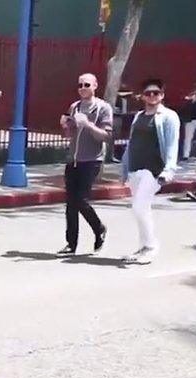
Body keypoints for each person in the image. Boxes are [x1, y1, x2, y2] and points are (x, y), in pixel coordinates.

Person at [119, 78, 180, 265]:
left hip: (153, 170)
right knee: (142, 209)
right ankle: (143, 246)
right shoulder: (139, 116)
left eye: (156, 93)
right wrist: (124, 169)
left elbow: (172, 145)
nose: (152, 96)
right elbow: (132, 143)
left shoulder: (169, 116)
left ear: (162, 95)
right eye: (148, 93)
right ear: (142, 96)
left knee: (139, 207)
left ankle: (151, 246)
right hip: (135, 169)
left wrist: (169, 170)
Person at [56, 73, 112, 256]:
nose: (82, 88)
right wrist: (66, 125)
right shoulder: (75, 107)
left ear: (95, 86)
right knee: (70, 203)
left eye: (86, 84)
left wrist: (87, 124)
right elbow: (71, 135)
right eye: (80, 85)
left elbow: (105, 136)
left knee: (80, 200)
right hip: (73, 159)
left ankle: (99, 228)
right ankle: (71, 244)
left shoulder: (103, 108)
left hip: (91, 160)